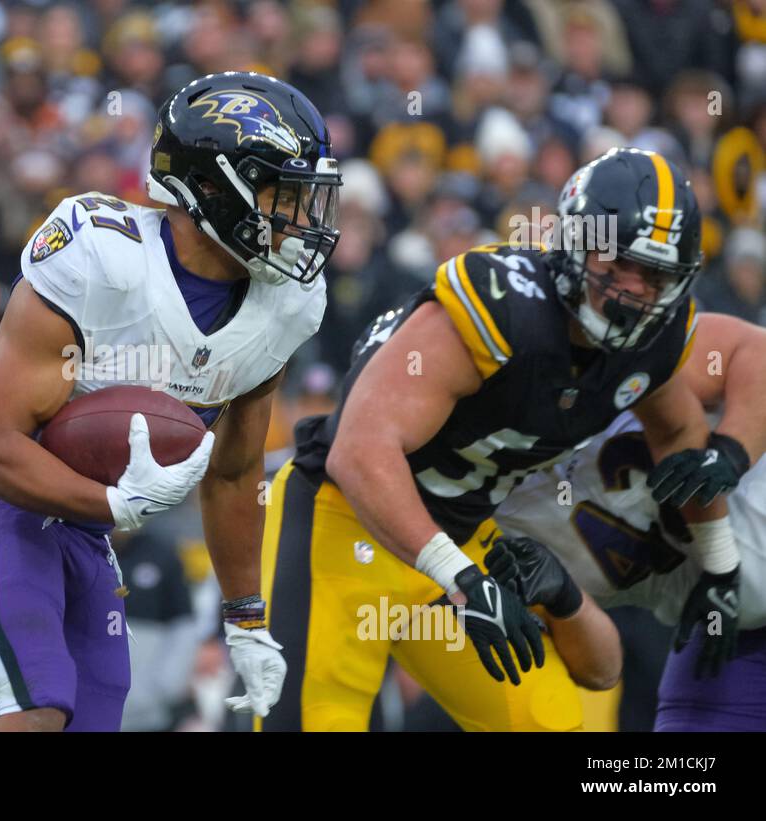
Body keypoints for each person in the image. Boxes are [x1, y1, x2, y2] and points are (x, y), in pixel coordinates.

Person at [0, 72, 343, 731]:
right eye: (282, 193)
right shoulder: (99, 258)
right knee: (35, 711)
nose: (302, 218)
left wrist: (247, 617)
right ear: (213, 187)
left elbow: (232, 472)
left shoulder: (286, 302)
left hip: (89, 533)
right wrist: (115, 502)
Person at [263, 146, 736, 731]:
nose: (632, 291)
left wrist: (720, 566)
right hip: (346, 518)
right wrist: (460, 578)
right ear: (575, 241)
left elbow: (682, 432)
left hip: (461, 535)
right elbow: (359, 452)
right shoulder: (505, 303)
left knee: (554, 724)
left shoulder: (655, 342)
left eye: (655, 275)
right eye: (617, 262)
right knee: (316, 721)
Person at [495, 312, 765, 730]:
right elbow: (600, 671)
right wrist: (566, 600)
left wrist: (732, 450)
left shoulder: (594, 352)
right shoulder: (471, 534)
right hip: (726, 629)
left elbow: (754, 352)